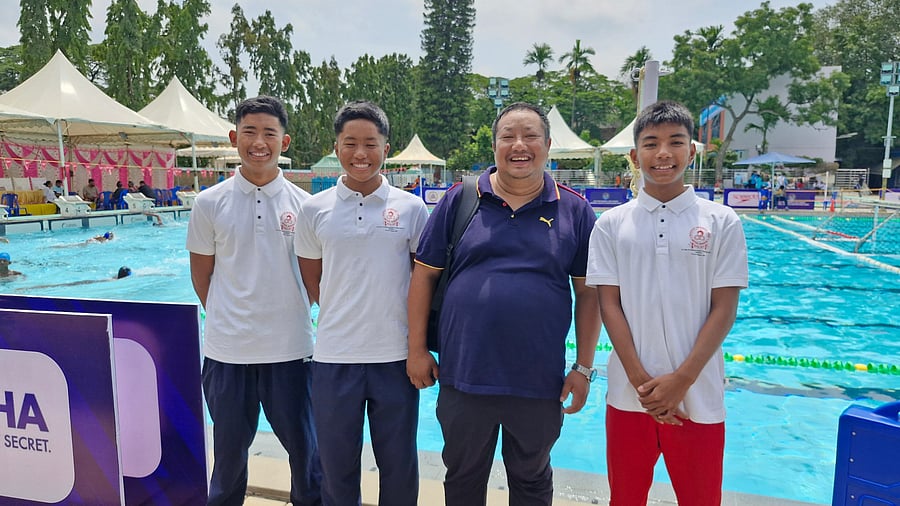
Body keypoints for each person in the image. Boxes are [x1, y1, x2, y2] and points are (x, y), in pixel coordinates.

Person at [407, 102, 602, 505]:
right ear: (494, 146)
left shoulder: (575, 210)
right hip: (465, 375)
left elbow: (588, 293)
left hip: (538, 380)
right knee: (463, 478)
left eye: (530, 136)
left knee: (532, 480)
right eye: (508, 137)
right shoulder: (460, 200)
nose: (519, 146)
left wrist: (583, 367)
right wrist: (417, 349)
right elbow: (423, 276)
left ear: (548, 145)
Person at [585, 100, 748, 505]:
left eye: (675, 142)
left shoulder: (721, 222)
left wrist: (682, 381)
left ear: (691, 151)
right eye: (651, 143)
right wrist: (643, 384)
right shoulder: (611, 225)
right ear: (634, 154)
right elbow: (609, 306)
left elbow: (724, 309)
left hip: (698, 396)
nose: (663, 153)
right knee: (625, 498)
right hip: (629, 396)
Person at [186, 95, 321, 506]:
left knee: (307, 456)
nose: (259, 142)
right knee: (228, 461)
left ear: (285, 141)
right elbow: (202, 277)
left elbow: (313, 279)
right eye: (249, 132)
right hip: (227, 354)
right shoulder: (208, 203)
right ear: (234, 138)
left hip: (291, 351)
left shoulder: (306, 207)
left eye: (269, 133)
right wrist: (231, 318)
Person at [293, 101, 428, 506]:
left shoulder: (412, 209)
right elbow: (314, 280)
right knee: (337, 469)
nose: (360, 153)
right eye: (350, 143)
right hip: (335, 359)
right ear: (336, 147)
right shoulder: (314, 210)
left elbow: (422, 281)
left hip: (395, 358)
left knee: (399, 465)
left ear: (386, 149)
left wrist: (416, 347)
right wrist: (345, 312)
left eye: (370, 143)